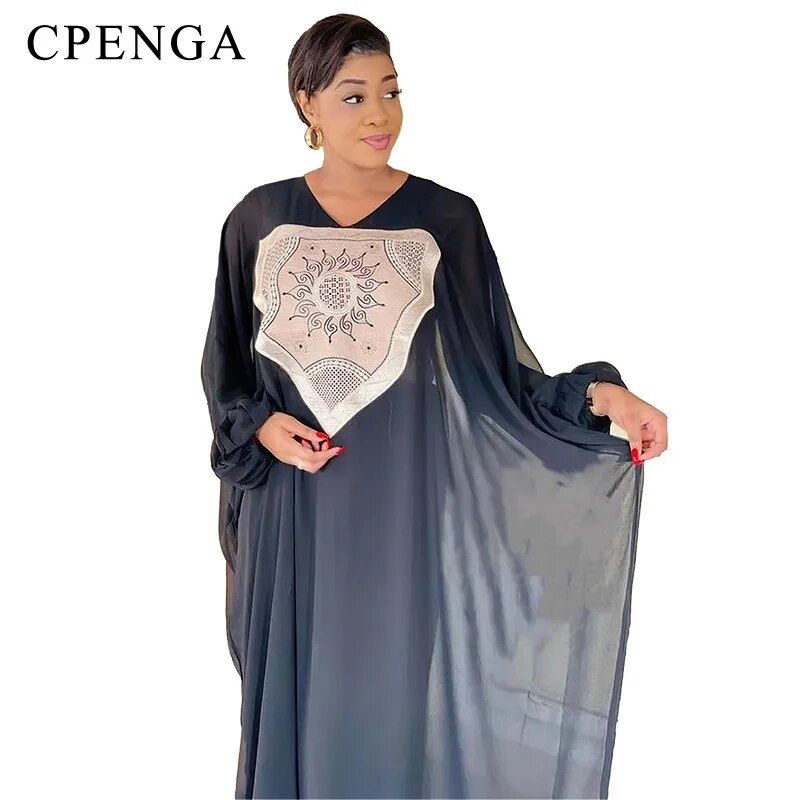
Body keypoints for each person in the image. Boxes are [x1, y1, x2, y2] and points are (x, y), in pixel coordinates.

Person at [200, 13, 668, 800]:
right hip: (291, 514)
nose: (379, 114)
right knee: (294, 708)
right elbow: (228, 373)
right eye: (353, 96)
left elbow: (500, 378)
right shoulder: (259, 218)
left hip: (400, 513)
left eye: (391, 92)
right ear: (307, 104)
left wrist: (604, 394)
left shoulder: (446, 219)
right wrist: (263, 427)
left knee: (386, 708)